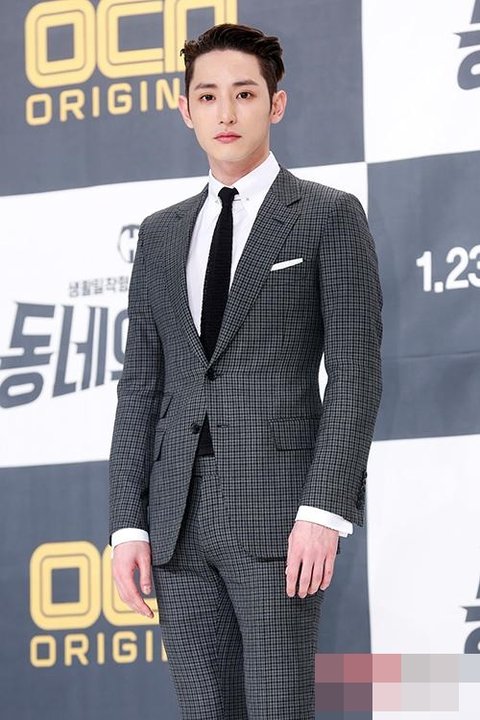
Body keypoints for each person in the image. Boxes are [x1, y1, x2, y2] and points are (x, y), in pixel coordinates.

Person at [109, 23, 382, 720]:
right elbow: (141, 385)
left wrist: (323, 511)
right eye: (208, 96)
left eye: (244, 94)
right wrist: (127, 525)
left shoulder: (328, 216)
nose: (225, 113)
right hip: (176, 524)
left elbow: (355, 375)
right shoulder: (161, 233)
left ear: (275, 104)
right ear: (186, 109)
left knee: (278, 708)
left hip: (280, 519)